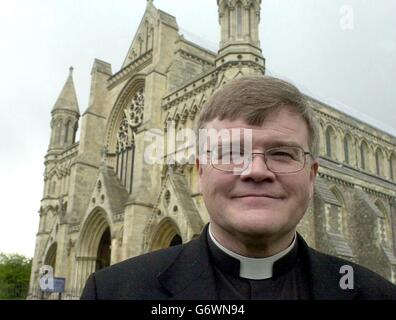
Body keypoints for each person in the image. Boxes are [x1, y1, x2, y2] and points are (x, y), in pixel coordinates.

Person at [81, 76, 396, 299]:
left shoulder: (375, 294)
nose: (256, 171)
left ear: (313, 176)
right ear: (200, 171)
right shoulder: (112, 292)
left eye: (282, 154)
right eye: (232, 153)